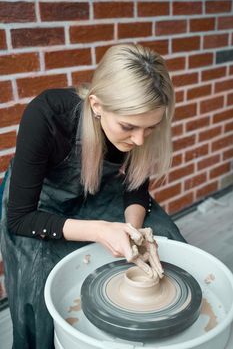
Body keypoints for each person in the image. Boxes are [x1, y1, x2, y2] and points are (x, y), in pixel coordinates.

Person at [0, 43, 185, 349]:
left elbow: (136, 185)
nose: (139, 139)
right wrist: (100, 230)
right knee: (41, 281)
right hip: (39, 203)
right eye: (128, 126)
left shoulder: (139, 130)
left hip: (97, 190)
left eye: (150, 128)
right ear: (97, 105)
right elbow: (20, 218)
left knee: (164, 237)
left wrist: (134, 231)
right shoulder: (46, 114)